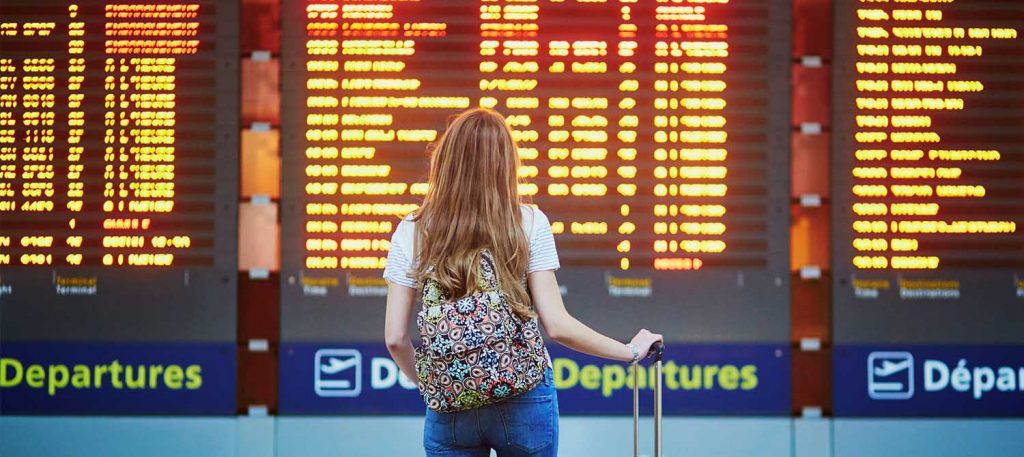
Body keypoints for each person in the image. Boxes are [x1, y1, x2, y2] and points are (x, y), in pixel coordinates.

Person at [384, 108, 663, 456]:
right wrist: (630, 351)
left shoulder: (412, 230)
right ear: (505, 163)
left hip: (450, 404)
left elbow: (395, 338)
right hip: (524, 395)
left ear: (446, 160)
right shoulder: (529, 222)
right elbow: (557, 326)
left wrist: (441, 383)